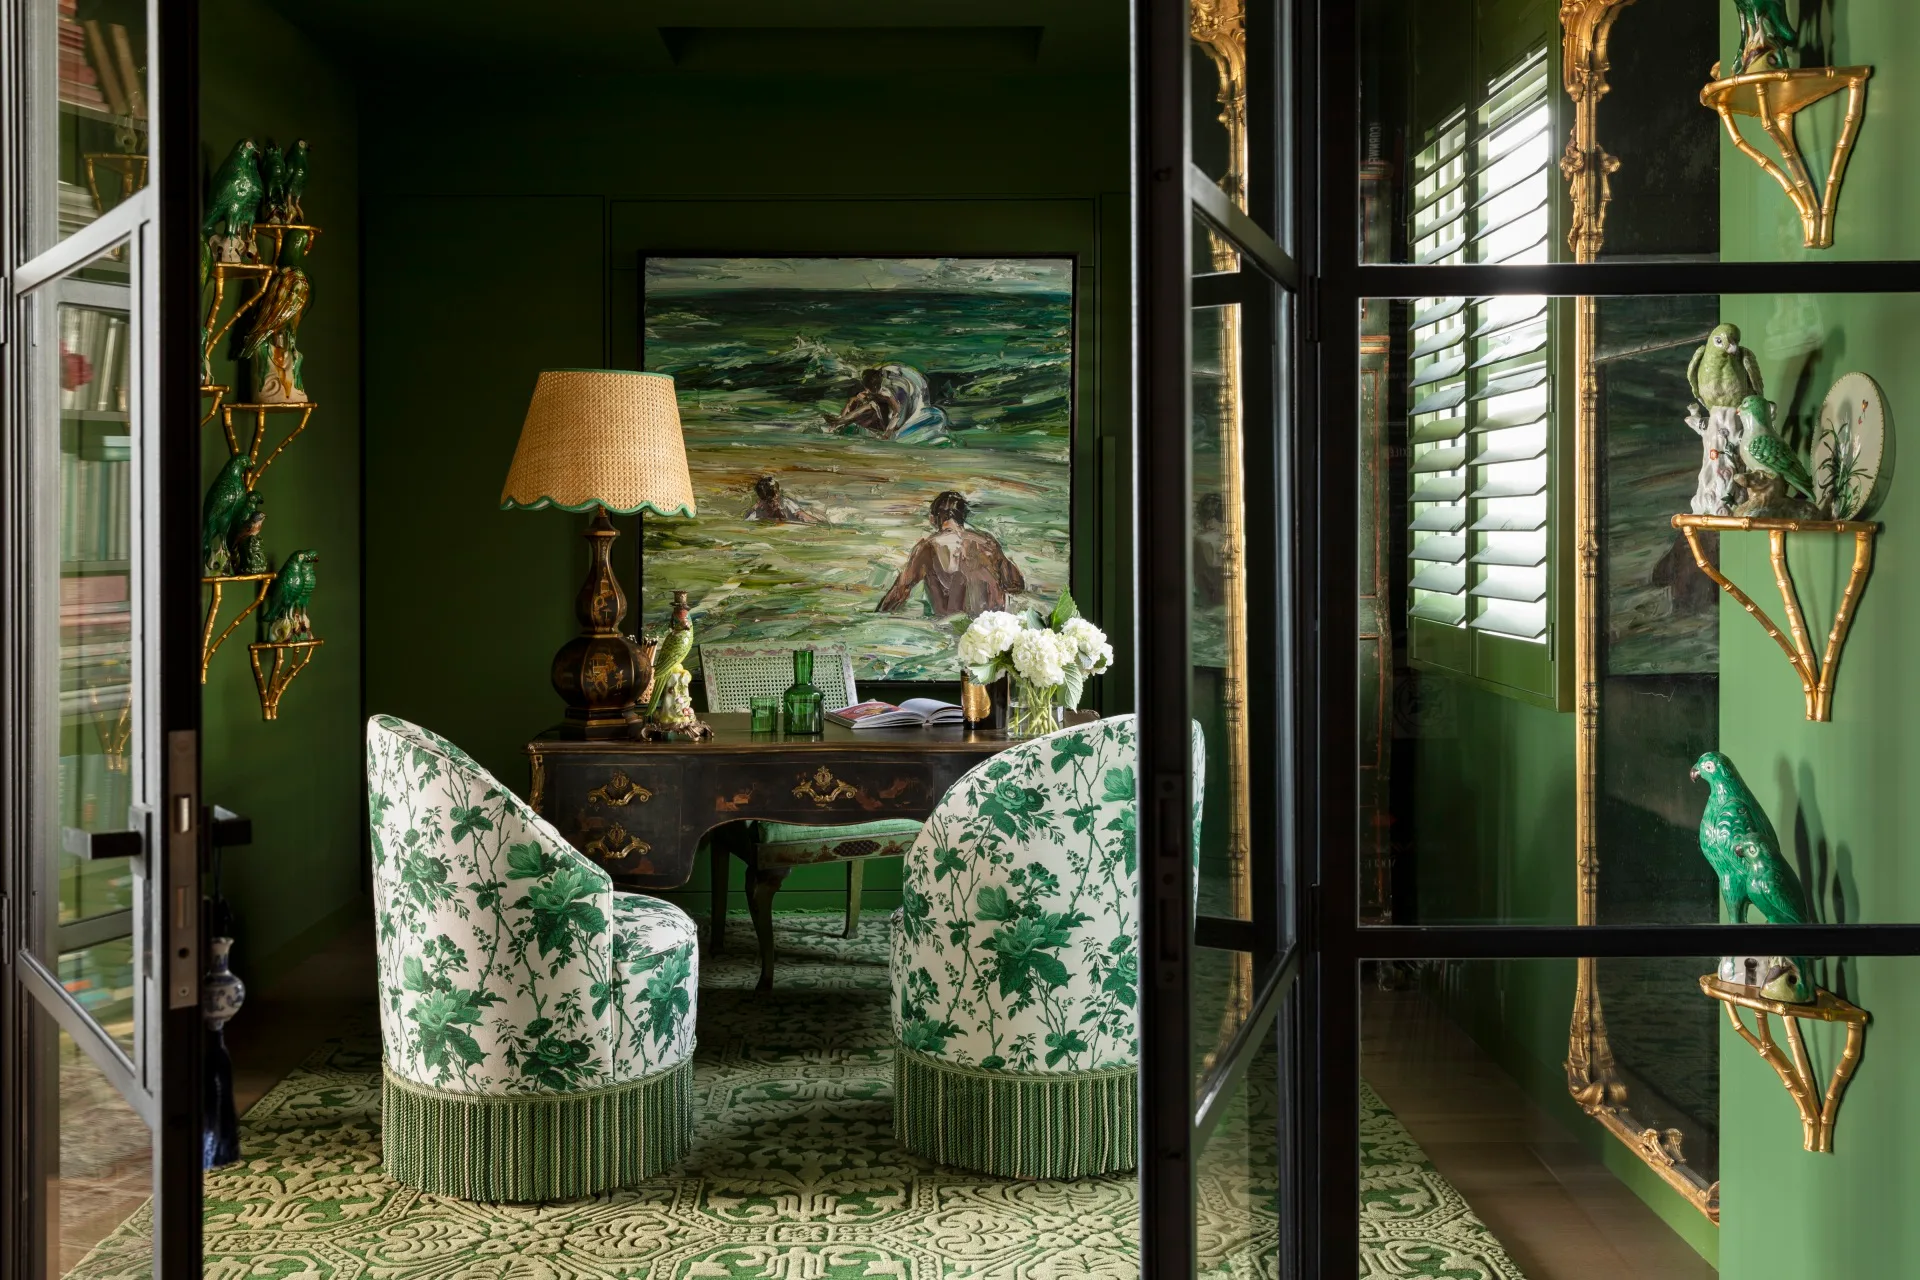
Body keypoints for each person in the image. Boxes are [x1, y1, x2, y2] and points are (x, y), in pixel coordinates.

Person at [876, 491, 1026, 616]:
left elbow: (900, 591)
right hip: (995, 627)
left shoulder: (928, 547)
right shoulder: (988, 543)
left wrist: (875, 619)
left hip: (953, 631)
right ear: (963, 517)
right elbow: (1016, 585)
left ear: (932, 519)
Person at [824, 367, 898, 437]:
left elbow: (896, 412)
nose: (865, 389)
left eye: (866, 387)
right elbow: (870, 395)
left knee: (869, 405)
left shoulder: (886, 394)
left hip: (885, 421)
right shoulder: (875, 390)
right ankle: (839, 421)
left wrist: (888, 433)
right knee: (854, 400)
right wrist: (855, 399)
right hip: (875, 413)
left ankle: (839, 422)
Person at [745, 475, 823, 524]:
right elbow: (747, 520)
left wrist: (819, 524)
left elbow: (800, 514)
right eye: (768, 502)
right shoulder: (757, 511)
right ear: (762, 501)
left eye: (773, 501)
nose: (772, 505)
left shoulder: (785, 504)